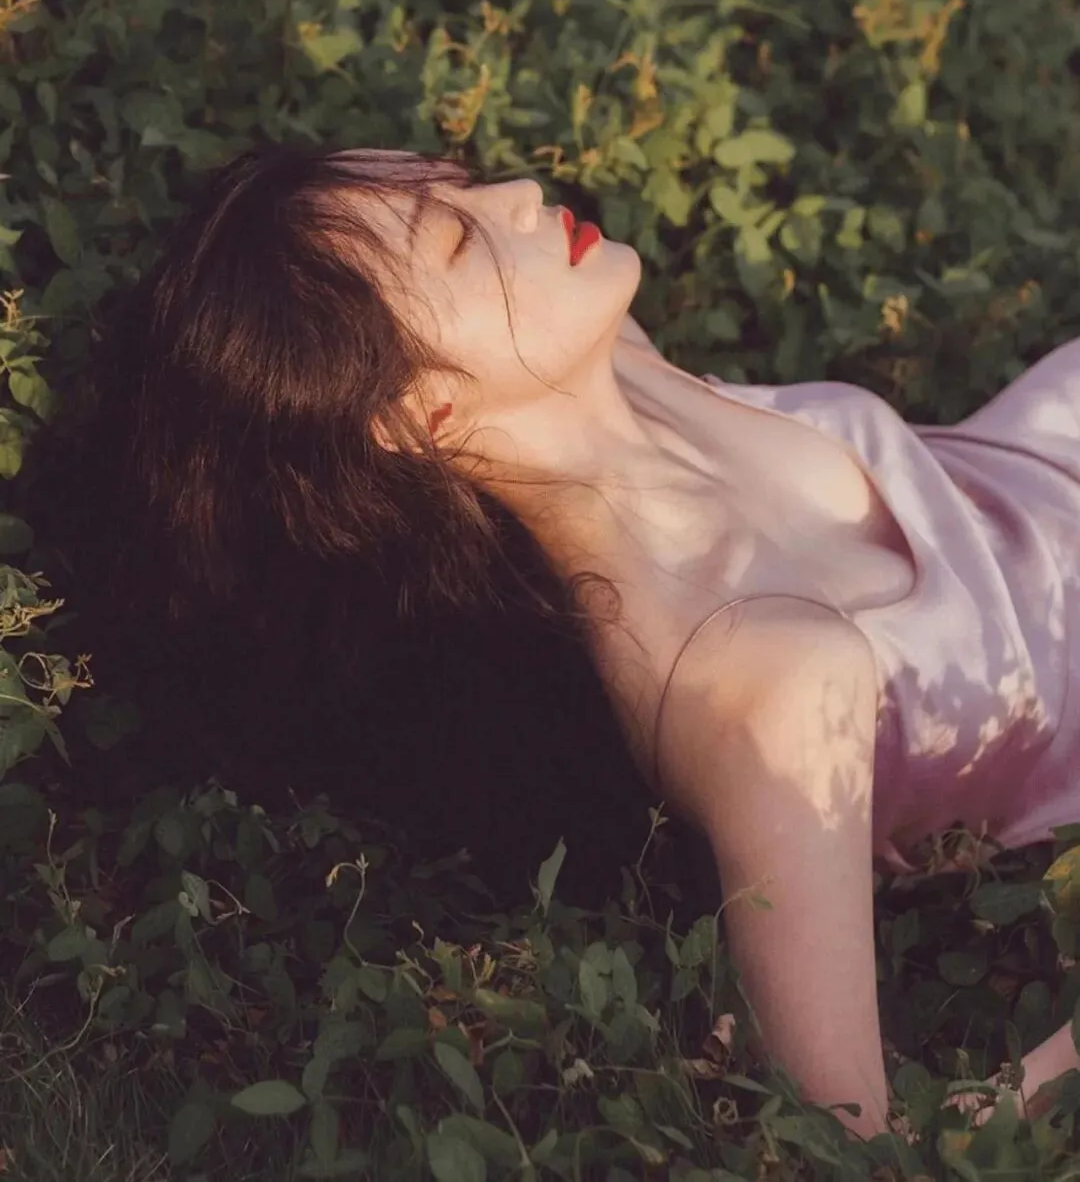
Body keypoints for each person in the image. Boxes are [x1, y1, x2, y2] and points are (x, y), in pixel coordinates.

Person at [22, 142, 1080, 1140]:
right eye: (457, 238)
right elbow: (847, 1138)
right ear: (422, 415)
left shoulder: (610, 360)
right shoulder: (754, 671)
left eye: (463, 182)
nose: (519, 193)